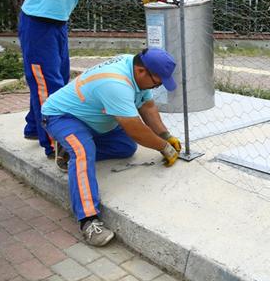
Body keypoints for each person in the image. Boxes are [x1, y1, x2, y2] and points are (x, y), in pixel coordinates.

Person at [19, 0, 160, 159]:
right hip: (37, 22)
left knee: (54, 83)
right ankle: (55, 145)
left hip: (58, 24)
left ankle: (32, 126)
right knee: (46, 84)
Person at [41, 48, 182, 246]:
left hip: (92, 120)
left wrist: (165, 135)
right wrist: (163, 147)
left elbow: (147, 107)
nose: (158, 86)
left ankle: (67, 149)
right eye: (157, 82)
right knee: (83, 151)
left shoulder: (134, 66)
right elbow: (135, 128)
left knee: (126, 147)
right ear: (142, 71)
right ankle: (88, 220)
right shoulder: (115, 83)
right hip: (62, 117)